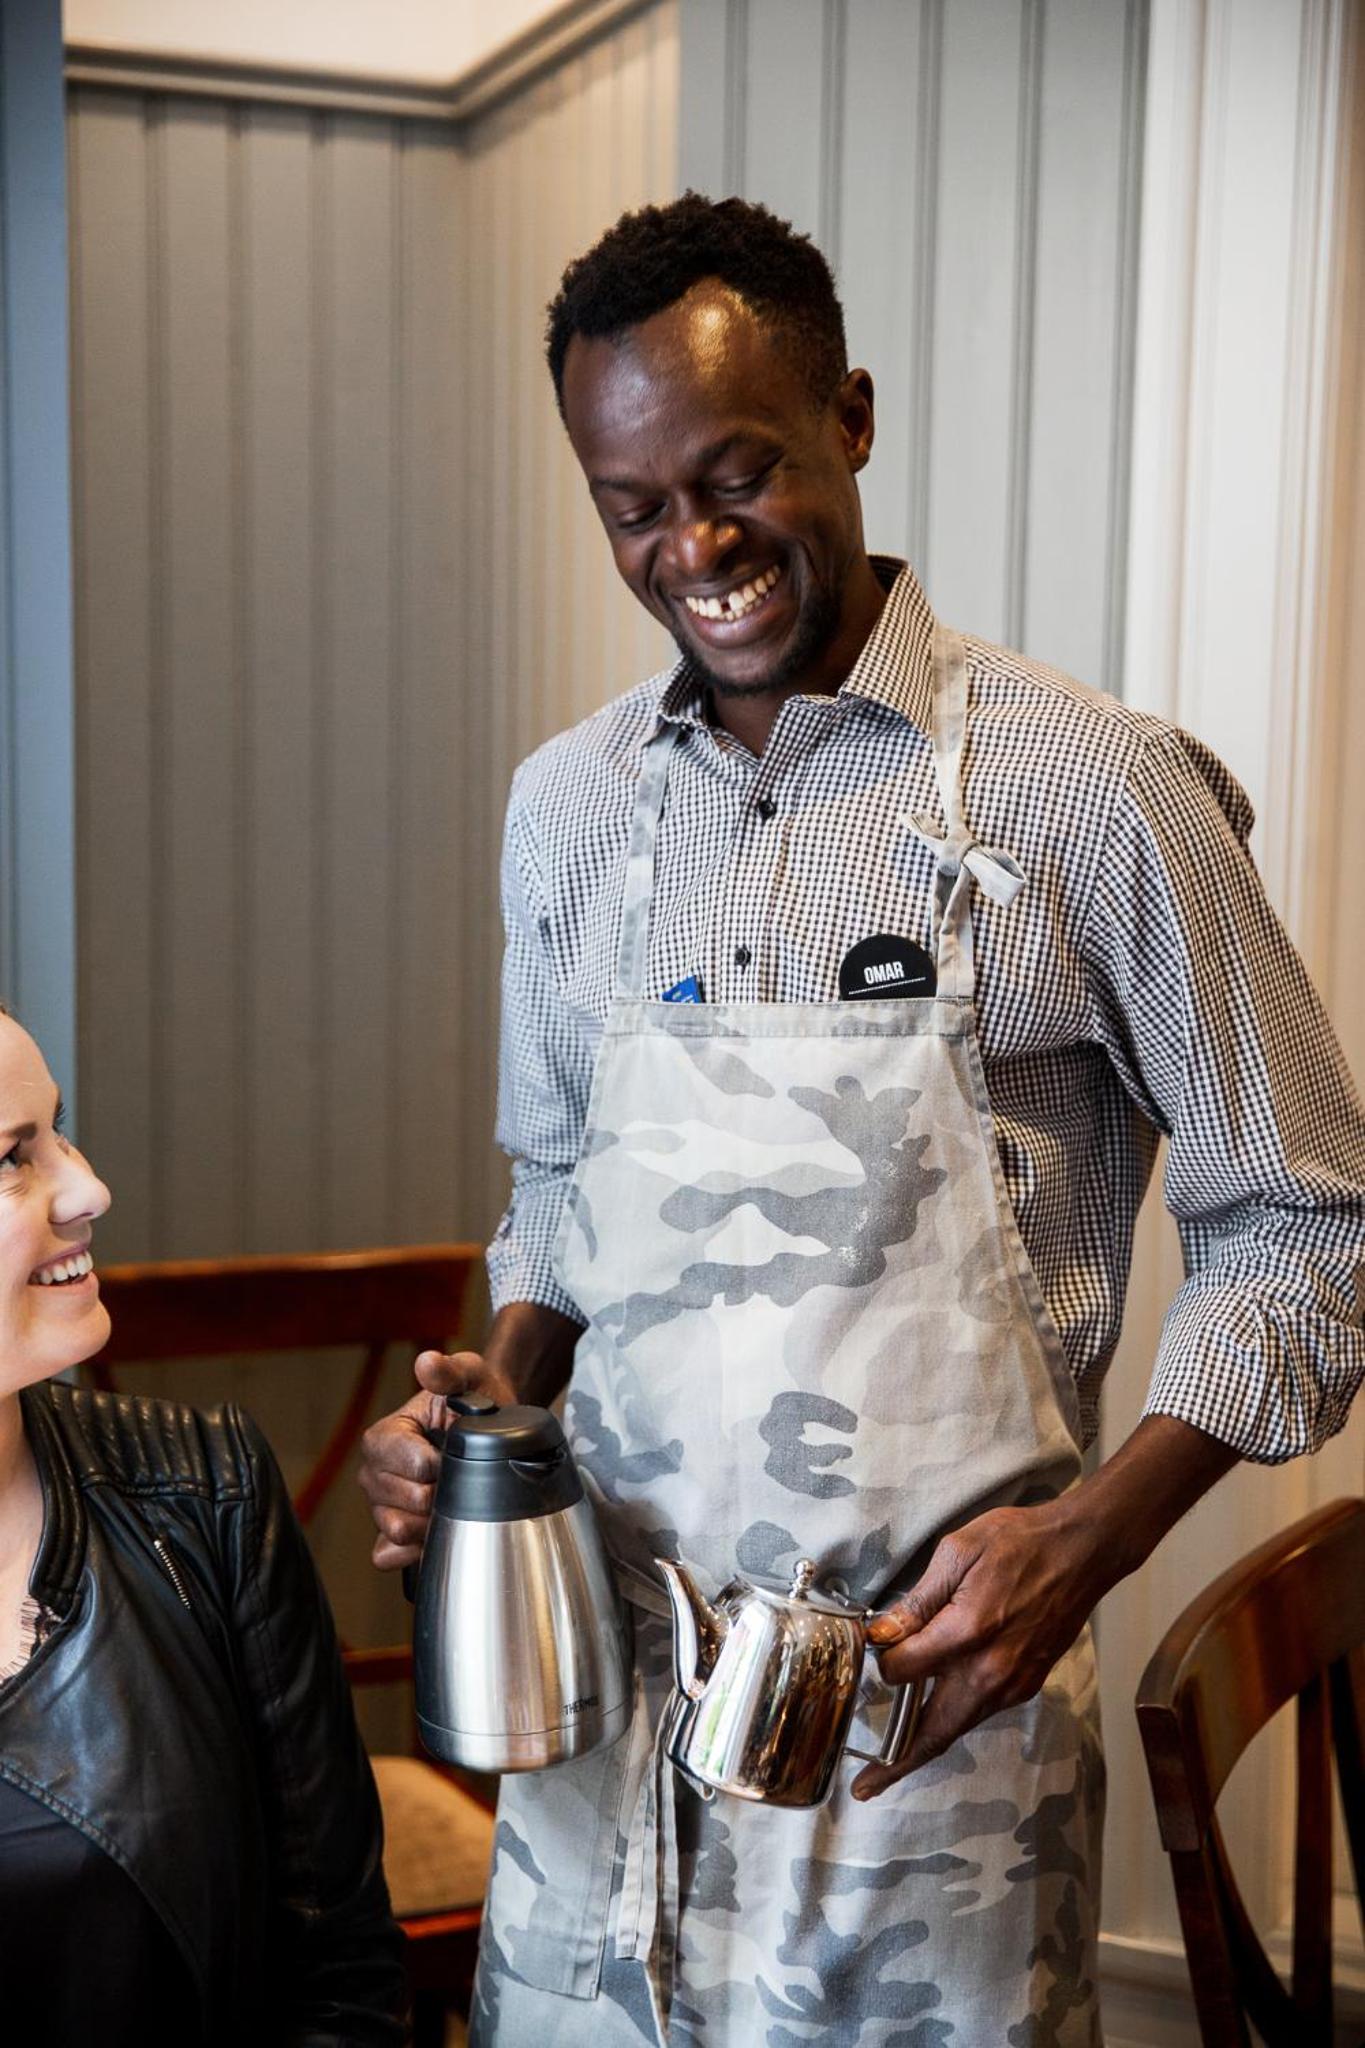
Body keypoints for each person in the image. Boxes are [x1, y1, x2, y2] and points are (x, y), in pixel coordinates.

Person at [358, 194, 1365, 2045]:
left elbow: (1307, 1223)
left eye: (738, 474)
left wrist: (1092, 1540)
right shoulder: (569, 810)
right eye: (633, 507)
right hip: (601, 1748)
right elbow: (560, 1193)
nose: (695, 548)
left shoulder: (1094, 788)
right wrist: (483, 1405)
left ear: (854, 418)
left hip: (929, 1754)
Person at [0, 1005, 404, 2046]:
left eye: (59, 1130)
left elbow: (339, 1976)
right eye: (11, 1158)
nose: (89, 1188)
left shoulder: (204, 1490)